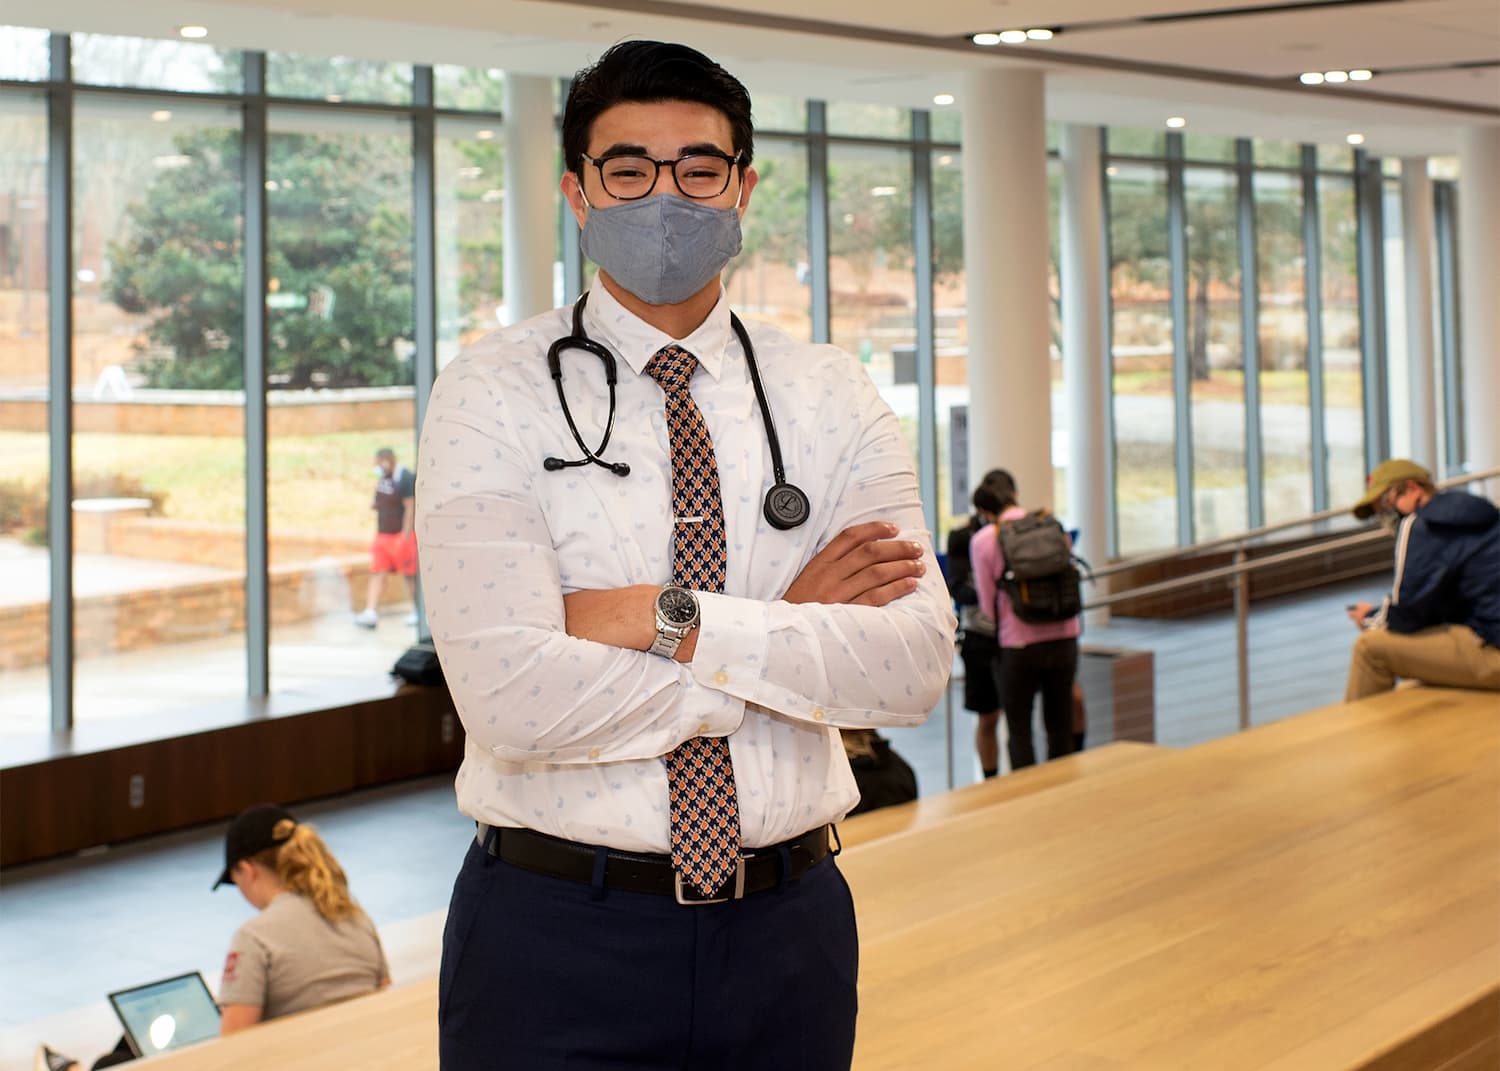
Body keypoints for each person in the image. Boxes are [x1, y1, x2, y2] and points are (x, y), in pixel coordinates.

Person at [416, 40, 954, 1071]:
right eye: (628, 169)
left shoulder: (828, 392)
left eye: (699, 168)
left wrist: (667, 620)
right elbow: (511, 702)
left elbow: (911, 665)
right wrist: (786, 630)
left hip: (789, 932)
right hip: (554, 936)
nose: (667, 196)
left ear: (743, 185)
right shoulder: (491, 393)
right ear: (577, 190)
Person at [34, 804, 389, 1071]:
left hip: (292, 1060)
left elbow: (230, 1053)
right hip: (355, 1054)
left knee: (119, 1060)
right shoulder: (355, 917)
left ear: (247, 871)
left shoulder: (255, 937)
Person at [1344, 458, 1500, 700]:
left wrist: (1368, 617)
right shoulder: (1482, 511)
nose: (1387, 516)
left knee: (1370, 648)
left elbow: (1407, 615)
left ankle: (1359, 736)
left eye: (1387, 503)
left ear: (1413, 488)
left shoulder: (1421, 525)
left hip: (1494, 653)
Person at [969, 469, 1082, 771]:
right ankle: (1064, 795)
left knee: (1019, 731)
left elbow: (987, 604)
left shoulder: (984, 540)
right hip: (1065, 635)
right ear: (1015, 494)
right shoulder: (1051, 524)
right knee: (1060, 726)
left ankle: (1028, 804)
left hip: (1018, 643)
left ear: (985, 507)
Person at [946, 479, 1005, 777]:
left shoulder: (1016, 532)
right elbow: (958, 589)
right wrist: (995, 590)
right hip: (980, 635)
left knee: (1019, 715)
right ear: (982, 510)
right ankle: (990, 778)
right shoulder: (962, 537)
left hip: (1013, 634)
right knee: (988, 716)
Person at [355, 447, 417, 628]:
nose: (377, 467)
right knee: (378, 572)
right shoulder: (384, 478)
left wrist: (405, 537)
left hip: (400, 536)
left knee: (409, 576)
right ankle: (370, 612)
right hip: (383, 535)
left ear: (388, 459)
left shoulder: (404, 477)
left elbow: (410, 508)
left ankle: (417, 611)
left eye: (379, 462)